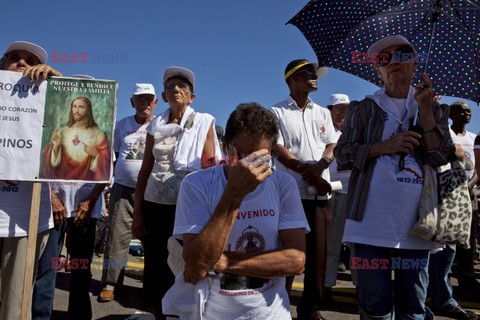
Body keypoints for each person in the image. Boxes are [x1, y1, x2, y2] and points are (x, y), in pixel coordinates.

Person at [335, 34, 455, 319]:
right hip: (368, 226)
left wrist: (426, 111)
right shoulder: (363, 107)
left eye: (402, 55)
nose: (393, 62)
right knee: (375, 305)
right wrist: (381, 147)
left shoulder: (433, 109)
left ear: (415, 63)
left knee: (412, 307)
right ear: (377, 69)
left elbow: (441, 157)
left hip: (416, 228)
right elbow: (342, 155)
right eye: (384, 58)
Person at [172, 103, 308, 319]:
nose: (251, 169)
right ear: (226, 147)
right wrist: (234, 194)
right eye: (244, 157)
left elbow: (295, 261)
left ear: (271, 153)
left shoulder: (283, 184)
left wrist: (224, 262)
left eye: (260, 159)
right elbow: (197, 265)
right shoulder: (196, 184)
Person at [132, 66, 220, 319]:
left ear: (192, 97)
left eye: (183, 86)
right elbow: (145, 170)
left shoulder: (204, 122)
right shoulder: (154, 126)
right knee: (156, 263)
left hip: (188, 206)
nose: (176, 89)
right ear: (164, 94)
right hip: (154, 204)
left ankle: (184, 313)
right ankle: (159, 312)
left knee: (184, 262)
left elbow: (211, 165)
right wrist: (138, 212)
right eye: (171, 86)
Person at [32, 74, 108, 320]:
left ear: (89, 108)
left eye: (81, 105)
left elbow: (106, 173)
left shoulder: (99, 135)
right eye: (74, 105)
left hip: (85, 208)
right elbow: (47, 166)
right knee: (47, 266)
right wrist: (52, 195)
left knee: (80, 268)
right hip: (53, 207)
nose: (77, 110)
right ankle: (40, 315)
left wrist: (90, 200)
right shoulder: (60, 131)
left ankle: (79, 316)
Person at [270, 59, 336, 320]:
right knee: (287, 253)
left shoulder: (323, 112)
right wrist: (307, 172)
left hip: (319, 193)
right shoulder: (276, 112)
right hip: (291, 194)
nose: (314, 77)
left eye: (315, 73)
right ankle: (279, 305)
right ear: (292, 79)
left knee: (318, 255)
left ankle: (310, 308)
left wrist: (321, 166)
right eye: (308, 73)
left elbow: (332, 144)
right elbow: (279, 149)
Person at [0, 40, 61, 320]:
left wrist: (57, 81)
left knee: (14, 306)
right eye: (14, 57)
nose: (22, 63)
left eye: (30, 59)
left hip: (24, 221)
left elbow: (79, 103)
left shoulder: (47, 99)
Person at [99, 83, 158, 303]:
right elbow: (113, 154)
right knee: (116, 237)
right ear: (132, 102)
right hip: (123, 189)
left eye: (148, 99)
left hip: (152, 190)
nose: (145, 103)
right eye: (140, 99)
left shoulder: (160, 125)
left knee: (152, 240)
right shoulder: (122, 125)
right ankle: (109, 284)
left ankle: (152, 289)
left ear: (155, 102)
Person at [427, 100, 479, 320]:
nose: (467, 114)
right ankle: (434, 299)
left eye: (469, 111)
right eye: (461, 111)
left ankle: (443, 297)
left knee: (453, 249)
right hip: (438, 195)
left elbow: (471, 166)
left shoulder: (467, 136)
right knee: (437, 251)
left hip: (459, 195)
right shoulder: (439, 130)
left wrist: (469, 186)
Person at [42, 96, 111, 181]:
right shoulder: (63, 131)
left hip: (87, 182)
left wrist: (96, 154)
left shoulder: (98, 133)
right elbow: (52, 163)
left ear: (88, 110)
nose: (77, 111)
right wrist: (56, 147)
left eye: (81, 107)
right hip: (64, 182)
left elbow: (107, 160)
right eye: (74, 107)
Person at [324, 93, 352, 288]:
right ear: (330, 110)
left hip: (355, 193)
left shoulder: (355, 132)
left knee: (357, 245)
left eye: (346, 109)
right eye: (338, 109)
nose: (343, 113)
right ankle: (326, 284)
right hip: (334, 192)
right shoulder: (325, 132)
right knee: (332, 244)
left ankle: (361, 285)